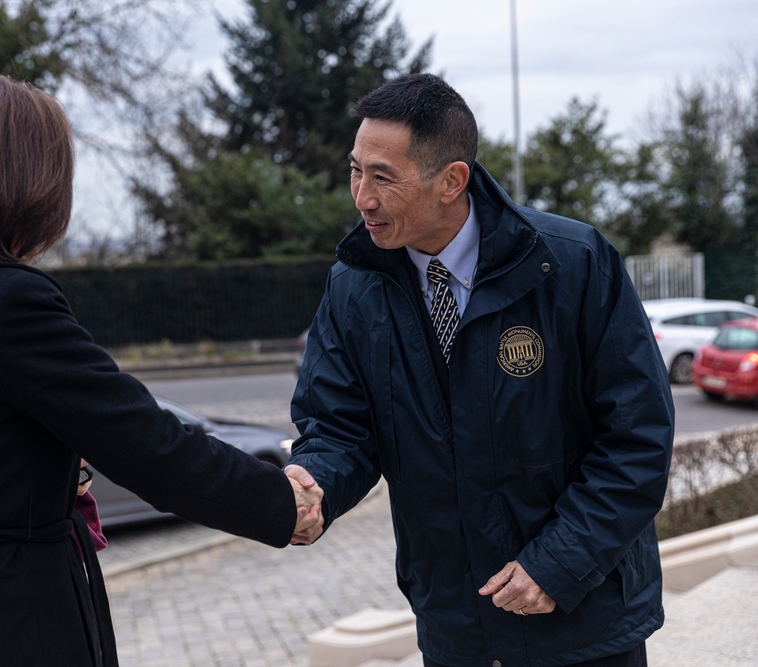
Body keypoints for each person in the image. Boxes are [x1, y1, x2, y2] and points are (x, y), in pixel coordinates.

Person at [0, 70, 323, 667]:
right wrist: (277, 501)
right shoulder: (8, 301)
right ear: (22, 180)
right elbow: (146, 443)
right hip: (11, 625)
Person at [286, 73, 674, 666]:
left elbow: (637, 437)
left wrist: (558, 563)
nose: (362, 197)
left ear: (451, 180)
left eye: (383, 176)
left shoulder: (573, 264)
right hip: (454, 628)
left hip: (584, 624)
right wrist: (313, 487)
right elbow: (339, 429)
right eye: (356, 171)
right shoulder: (352, 286)